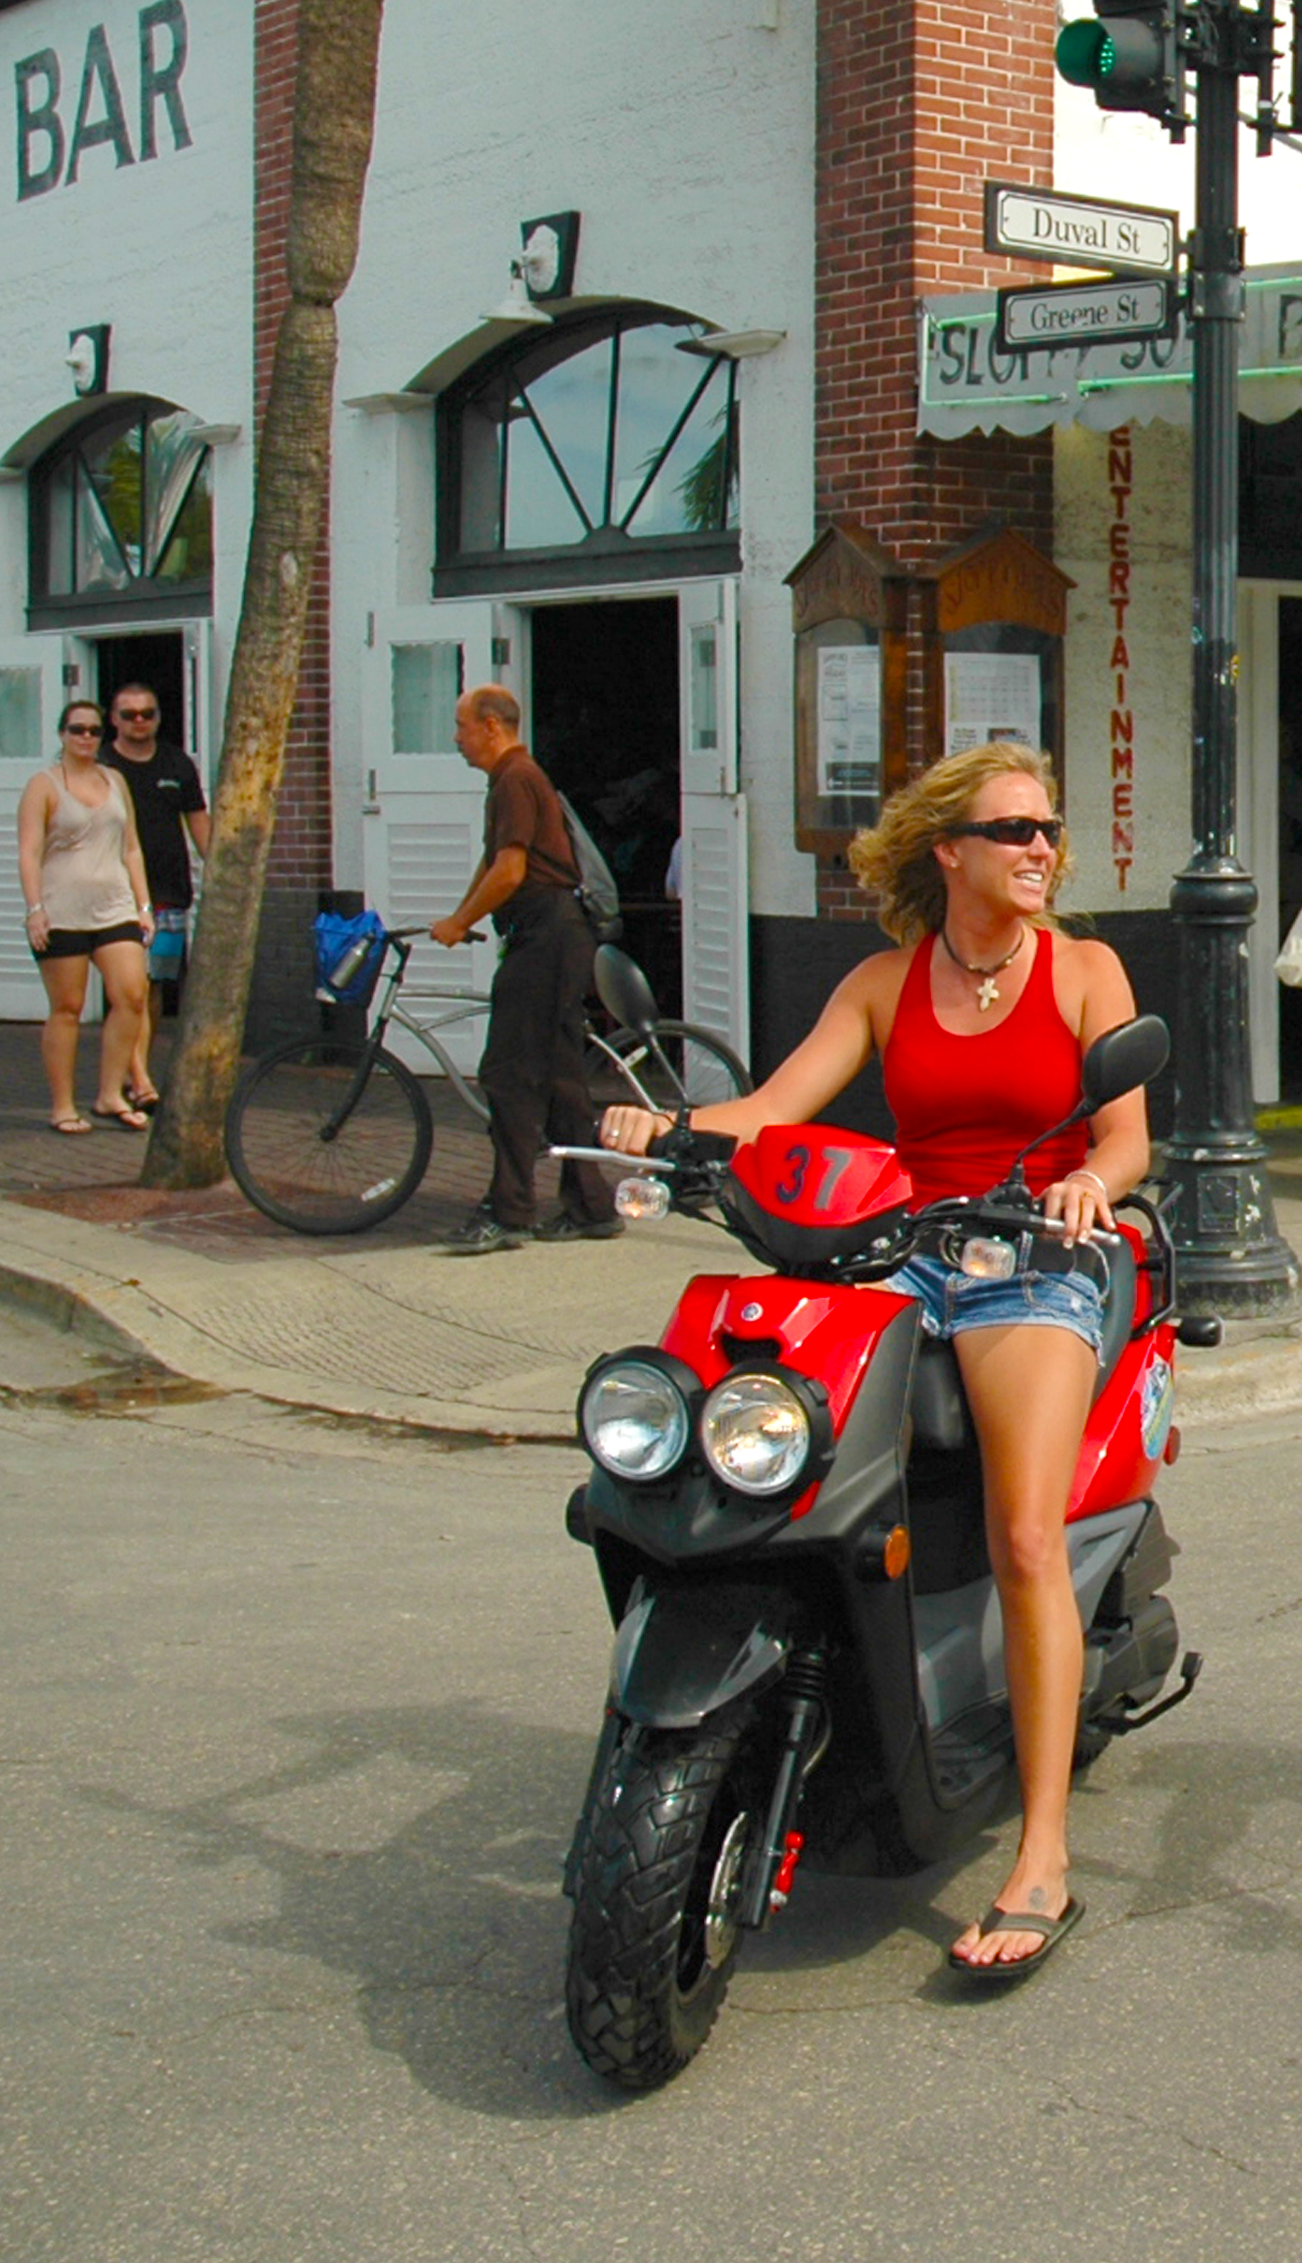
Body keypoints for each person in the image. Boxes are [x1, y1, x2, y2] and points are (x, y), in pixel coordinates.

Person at [600, 743, 1148, 1979]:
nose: (1040, 850)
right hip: (904, 1252)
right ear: (948, 850)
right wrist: (672, 1127)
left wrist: (1083, 1184)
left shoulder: (1086, 971)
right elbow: (778, 1106)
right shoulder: (884, 983)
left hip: (1031, 1254)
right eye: (1013, 831)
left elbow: (1128, 1141)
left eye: (1048, 830)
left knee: (1022, 1538)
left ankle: (1044, 1857)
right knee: (779, 1468)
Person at [433, 687, 612, 1252]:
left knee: (509, 1073)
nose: (456, 739)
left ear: (491, 725)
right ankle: (590, 1205)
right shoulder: (517, 777)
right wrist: (460, 915)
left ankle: (508, 1210)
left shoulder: (514, 777)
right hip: (556, 934)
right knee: (560, 1075)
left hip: (546, 935)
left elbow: (510, 872)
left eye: (461, 727)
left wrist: (462, 921)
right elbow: (497, 863)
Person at [16, 701, 158, 1135]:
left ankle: (111, 1092)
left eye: (94, 731)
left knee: (132, 995)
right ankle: (62, 1104)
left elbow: (131, 846)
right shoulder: (43, 785)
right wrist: (35, 909)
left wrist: (144, 904)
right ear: (62, 734)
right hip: (63, 908)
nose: (86, 738)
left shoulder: (114, 780)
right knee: (68, 1007)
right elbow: (30, 851)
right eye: (77, 729)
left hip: (114, 905)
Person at [100, 681, 210, 1072]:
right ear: (114, 720)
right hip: (113, 894)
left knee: (153, 987)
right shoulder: (101, 767)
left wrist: (217, 868)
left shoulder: (178, 765)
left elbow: (198, 822)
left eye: (147, 713)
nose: (139, 721)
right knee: (125, 989)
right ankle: (129, 1074)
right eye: (129, 715)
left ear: (159, 718)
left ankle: (139, 1070)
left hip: (167, 893)